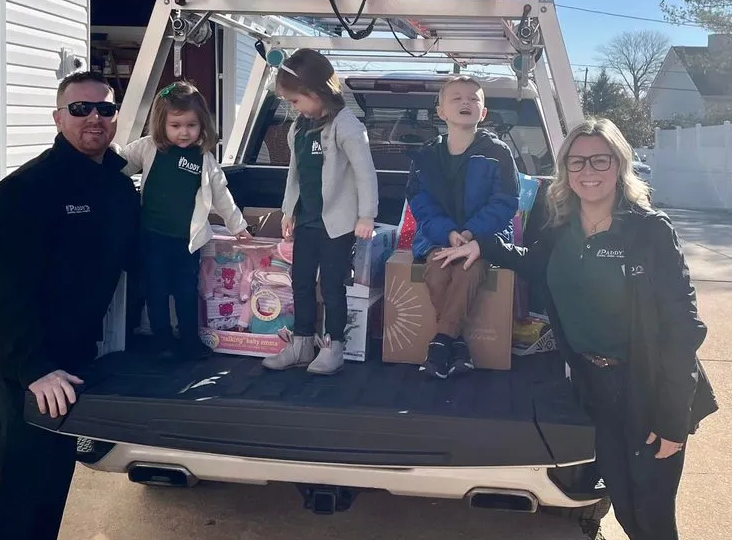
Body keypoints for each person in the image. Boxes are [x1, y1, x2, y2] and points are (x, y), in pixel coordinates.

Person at [434, 118, 718, 540]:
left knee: (653, 517)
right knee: (631, 516)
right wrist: (483, 246)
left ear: (619, 166)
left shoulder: (649, 231)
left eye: (600, 160)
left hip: (653, 389)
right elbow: (533, 264)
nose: (589, 171)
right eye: (577, 161)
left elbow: (684, 327)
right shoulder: (560, 228)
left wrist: (672, 418)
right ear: (565, 170)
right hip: (597, 389)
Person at [0, 71, 141, 540]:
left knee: (52, 483)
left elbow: (134, 264)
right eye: (80, 109)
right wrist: (33, 369)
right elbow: (4, 290)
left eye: (104, 108)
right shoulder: (28, 189)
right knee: (22, 491)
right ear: (58, 118)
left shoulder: (118, 188)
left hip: (75, 360)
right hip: (23, 365)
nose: (94, 118)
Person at [262, 49, 379, 375]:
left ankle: (333, 345)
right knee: (300, 280)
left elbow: (365, 173)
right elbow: (294, 173)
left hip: (337, 224)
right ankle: (301, 343)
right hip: (308, 222)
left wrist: (366, 215)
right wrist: (288, 210)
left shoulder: (347, 126)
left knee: (331, 286)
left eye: (296, 101)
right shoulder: (298, 128)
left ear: (315, 94)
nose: (292, 108)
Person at [121, 80, 252, 360]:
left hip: (187, 242)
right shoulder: (148, 147)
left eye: (191, 125)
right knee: (155, 292)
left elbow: (221, 194)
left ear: (202, 124)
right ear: (162, 124)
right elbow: (119, 165)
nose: (184, 132)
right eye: (176, 125)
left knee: (186, 292)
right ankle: (163, 342)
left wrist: (238, 226)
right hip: (152, 236)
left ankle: (190, 340)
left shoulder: (203, 157)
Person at [405, 75, 519, 378]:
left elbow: (506, 201)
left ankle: (441, 342)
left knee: (469, 268)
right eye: (456, 98)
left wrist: (470, 233)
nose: (465, 102)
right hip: (438, 237)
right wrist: (448, 234)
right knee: (438, 270)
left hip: (484, 237)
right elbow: (420, 201)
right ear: (441, 111)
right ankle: (456, 346)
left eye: (473, 99)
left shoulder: (498, 152)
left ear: (483, 113)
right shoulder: (427, 155)